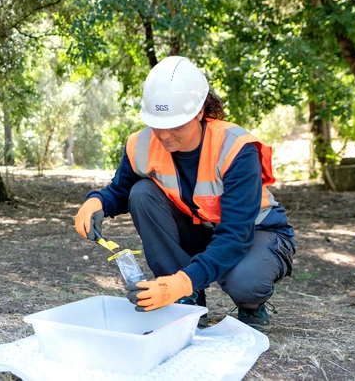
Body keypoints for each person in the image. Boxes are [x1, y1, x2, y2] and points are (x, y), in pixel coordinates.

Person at [74, 56, 295, 332]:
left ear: (200, 113)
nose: (165, 136)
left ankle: (250, 304)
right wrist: (95, 202)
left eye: (176, 125)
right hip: (199, 229)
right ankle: (186, 301)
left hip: (254, 233)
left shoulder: (236, 148)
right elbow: (119, 191)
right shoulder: (141, 144)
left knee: (246, 283)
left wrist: (176, 283)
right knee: (141, 192)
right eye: (157, 124)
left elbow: (235, 236)